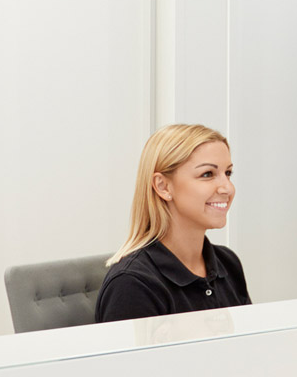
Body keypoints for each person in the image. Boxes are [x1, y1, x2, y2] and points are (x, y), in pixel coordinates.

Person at [93, 124, 251, 324]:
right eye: (207, 174)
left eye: (228, 173)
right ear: (163, 186)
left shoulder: (228, 263)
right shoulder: (131, 284)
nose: (228, 188)